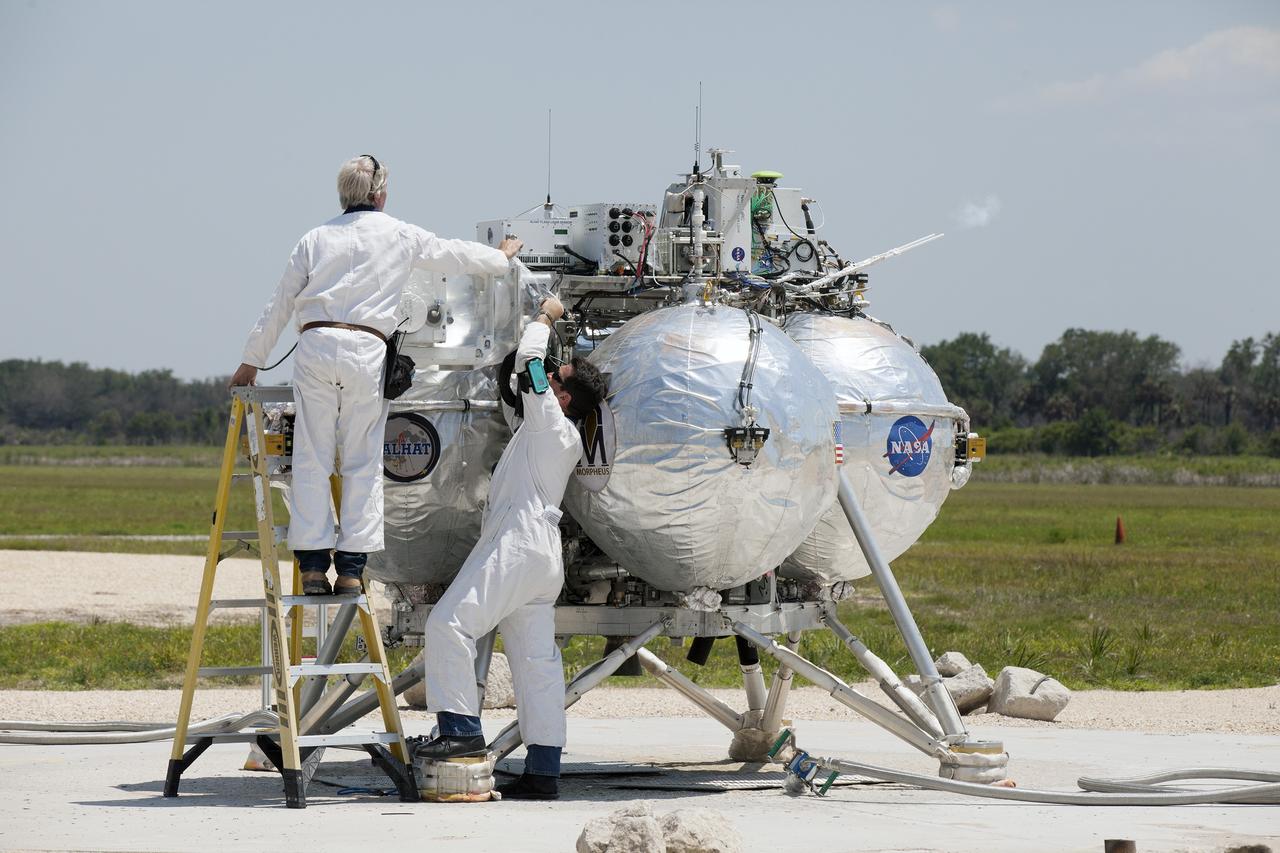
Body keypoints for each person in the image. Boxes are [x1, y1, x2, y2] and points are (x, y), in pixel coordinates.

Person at [230, 155, 520, 595]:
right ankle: (350, 569)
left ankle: (311, 566)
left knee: (312, 454)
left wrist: (252, 360)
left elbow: (280, 303)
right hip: (366, 351)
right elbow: (454, 254)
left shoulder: (314, 238)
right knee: (363, 459)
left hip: (316, 346)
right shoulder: (400, 234)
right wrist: (500, 259)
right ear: (380, 193)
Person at [415, 296, 608, 801]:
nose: (548, 377)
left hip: (518, 543)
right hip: (542, 557)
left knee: (449, 625)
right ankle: (544, 771)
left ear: (562, 397)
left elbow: (528, 364)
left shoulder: (548, 420)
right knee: (536, 664)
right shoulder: (552, 432)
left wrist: (545, 317)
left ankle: (459, 736)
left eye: (556, 377)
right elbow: (524, 381)